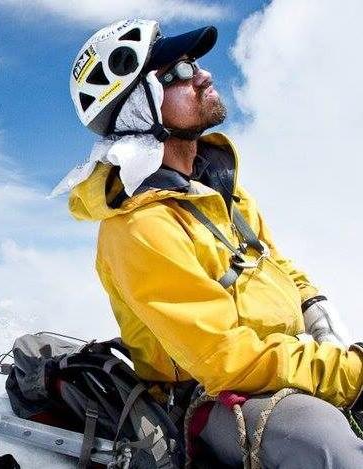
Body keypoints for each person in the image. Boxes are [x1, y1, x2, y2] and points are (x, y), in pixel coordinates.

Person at [57, 19, 363, 468]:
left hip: (283, 358)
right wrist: (349, 373)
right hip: (211, 395)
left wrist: (313, 306)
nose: (202, 75)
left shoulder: (217, 186)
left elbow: (270, 261)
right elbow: (224, 359)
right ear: (139, 110)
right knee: (326, 447)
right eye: (177, 73)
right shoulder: (139, 228)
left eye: (194, 64)